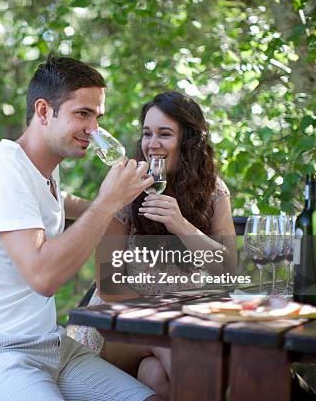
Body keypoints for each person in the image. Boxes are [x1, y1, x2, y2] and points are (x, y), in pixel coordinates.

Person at [0, 56, 162, 400]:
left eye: (97, 117)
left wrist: (104, 208)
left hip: (50, 346)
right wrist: (106, 203)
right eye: (82, 114)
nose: (94, 130)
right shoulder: (1, 166)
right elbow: (43, 277)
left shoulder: (41, 170)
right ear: (43, 111)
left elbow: (54, 199)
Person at [69, 91, 237, 400]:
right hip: (118, 327)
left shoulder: (212, 189)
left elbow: (227, 268)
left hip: (180, 328)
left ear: (188, 141)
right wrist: (169, 317)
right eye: (147, 133)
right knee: (179, 347)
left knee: (156, 377)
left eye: (164, 134)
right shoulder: (126, 188)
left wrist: (181, 225)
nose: (152, 144)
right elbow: (110, 286)